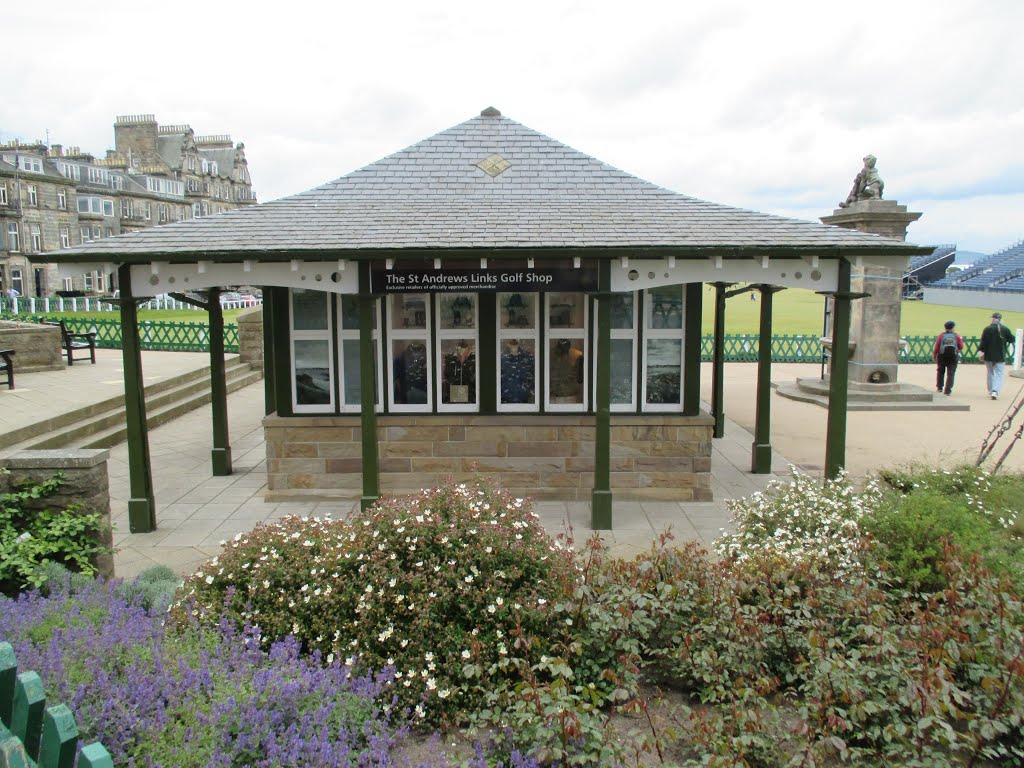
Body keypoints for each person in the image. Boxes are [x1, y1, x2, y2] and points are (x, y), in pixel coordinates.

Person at [977, 312, 1015, 400]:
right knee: (999, 373)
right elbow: (1012, 339)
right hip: (1000, 355)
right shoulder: (1005, 329)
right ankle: (995, 391)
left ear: (993, 319)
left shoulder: (987, 329)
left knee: (990, 373)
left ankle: (990, 391)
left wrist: (981, 353)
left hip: (989, 355)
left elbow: (983, 343)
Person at [932, 320, 964, 396]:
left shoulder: (941, 336)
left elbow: (937, 347)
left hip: (942, 356)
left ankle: (939, 388)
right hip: (953, 356)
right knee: (951, 373)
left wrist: (934, 356)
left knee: (940, 371)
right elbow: (961, 346)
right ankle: (948, 390)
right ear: (953, 328)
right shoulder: (956, 336)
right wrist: (957, 350)